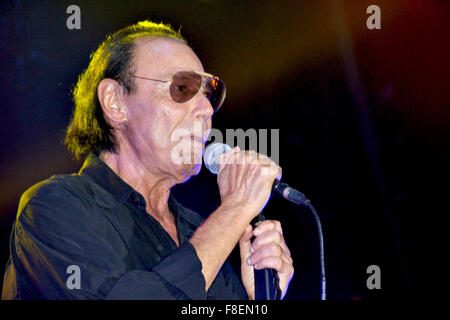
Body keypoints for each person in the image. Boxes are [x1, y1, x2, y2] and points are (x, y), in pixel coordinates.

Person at [2, 21, 294, 300]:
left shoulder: (199, 233)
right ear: (115, 102)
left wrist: (255, 300)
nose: (207, 109)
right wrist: (234, 211)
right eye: (182, 88)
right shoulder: (53, 207)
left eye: (210, 94)